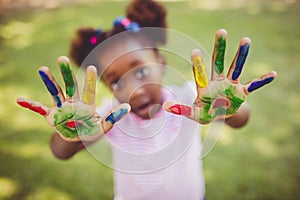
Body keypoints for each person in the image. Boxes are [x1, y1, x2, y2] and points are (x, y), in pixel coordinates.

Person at [16, 0, 277, 199]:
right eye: (117, 81)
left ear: (161, 63)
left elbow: (241, 121)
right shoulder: (110, 116)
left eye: (140, 71)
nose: (134, 90)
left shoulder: (190, 99)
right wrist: (71, 133)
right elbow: (60, 152)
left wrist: (229, 109)